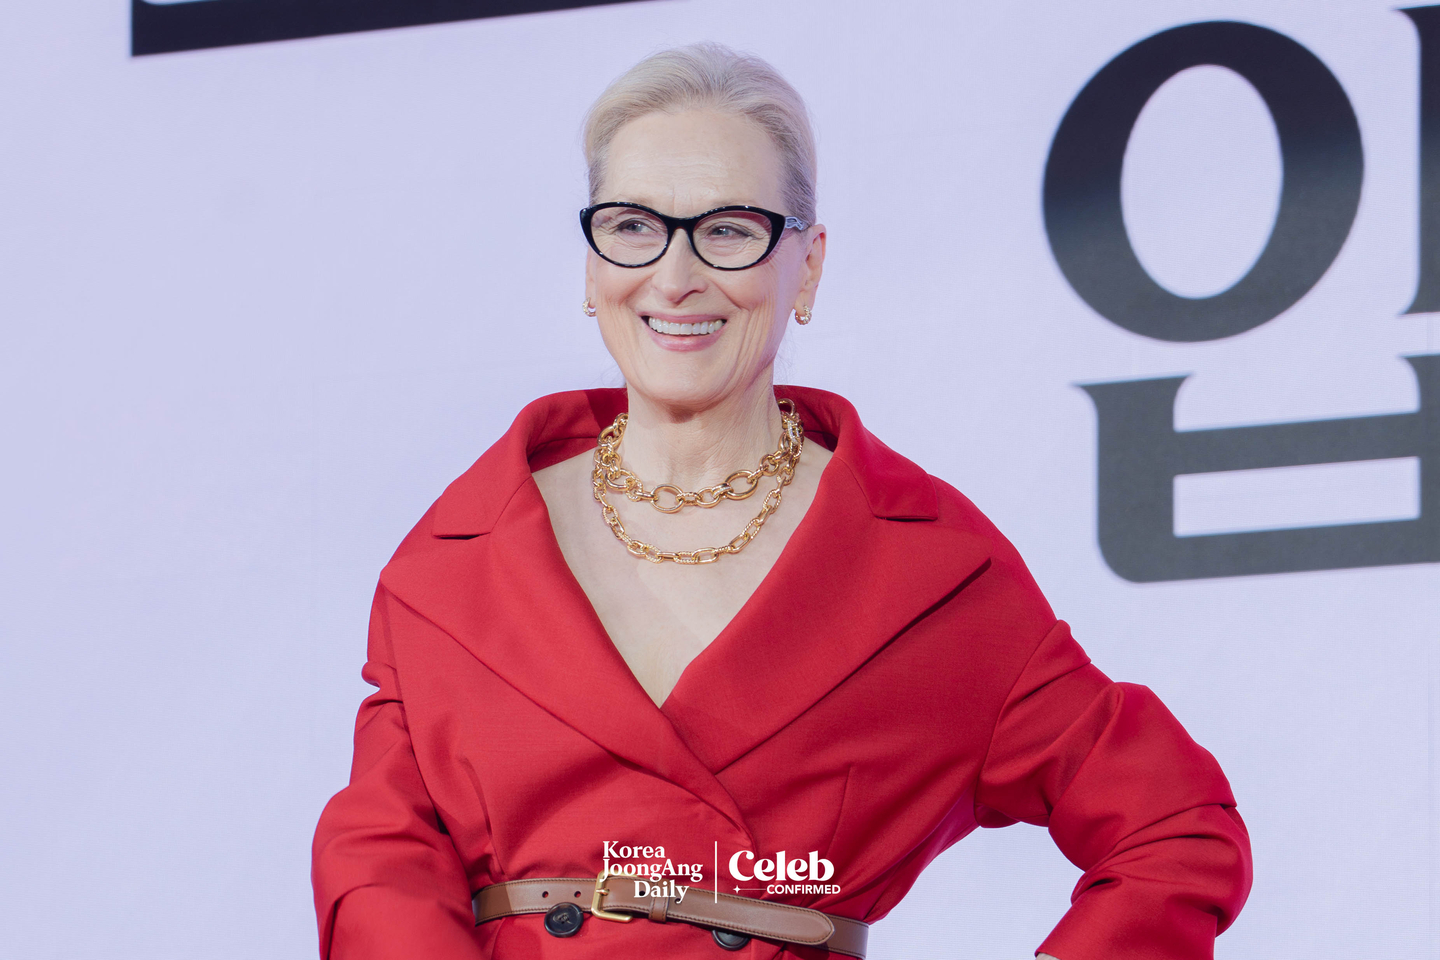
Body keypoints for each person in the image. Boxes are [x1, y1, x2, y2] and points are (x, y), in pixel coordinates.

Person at [310, 43, 1252, 960]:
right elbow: (382, 862)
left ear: (805, 266)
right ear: (592, 261)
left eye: (728, 229)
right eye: (635, 225)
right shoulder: (458, 559)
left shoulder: (926, 571)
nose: (675, 277)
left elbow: (1174, 828)